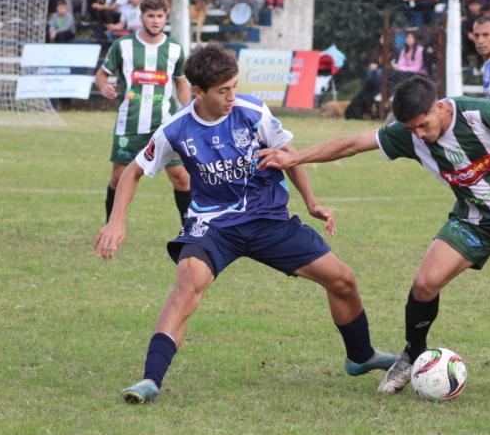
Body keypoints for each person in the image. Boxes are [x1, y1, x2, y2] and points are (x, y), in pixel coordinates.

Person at [94, 44, 397, 404]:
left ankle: (360, 356)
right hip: (213, 226)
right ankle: (150, 379)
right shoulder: (176, 129)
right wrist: (117, 221)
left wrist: (312, 203)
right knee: (187, 285)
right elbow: (132, 171)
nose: (232, 97)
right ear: (199, 91)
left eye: (234, 86)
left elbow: (287, 154)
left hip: (268, 219)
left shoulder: (252, 111)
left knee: (343, 280)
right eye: (223, 91)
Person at [255, 77, 490, 402]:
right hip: (475, 216)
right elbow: (351, 144)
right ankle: (411, 355)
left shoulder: (476, 114)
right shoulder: (410, 135)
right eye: (412, 129)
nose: (420, 135)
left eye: (423, 125)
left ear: (438, 107)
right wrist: (295, 159)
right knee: (425, 284)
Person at [94, 0, 192, 225]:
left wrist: (188, 112)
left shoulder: (175, 49)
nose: (155, 21)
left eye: (160, 16)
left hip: (166, 126)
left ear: (165, 17)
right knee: (119, 177)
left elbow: (181, 83)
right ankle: (111, 225)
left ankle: (190, 230)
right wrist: (104, 87)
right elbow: (101, 75)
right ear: (142, 17)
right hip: (130, 125)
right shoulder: (123, 46)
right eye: (151, 16)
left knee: (181, 177)